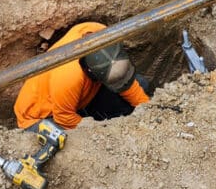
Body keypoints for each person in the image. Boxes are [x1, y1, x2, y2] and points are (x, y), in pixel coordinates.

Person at [14, 21, 150, 130]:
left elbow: (123, 80)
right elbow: (64, 118)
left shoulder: (99, 31)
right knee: (69, 143)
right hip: (43, 116)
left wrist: (148, 110)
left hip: (79, 97)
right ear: (90, 72)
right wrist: (103, 131)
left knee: (141, 85)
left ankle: (90, 112)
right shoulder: (68, 77)